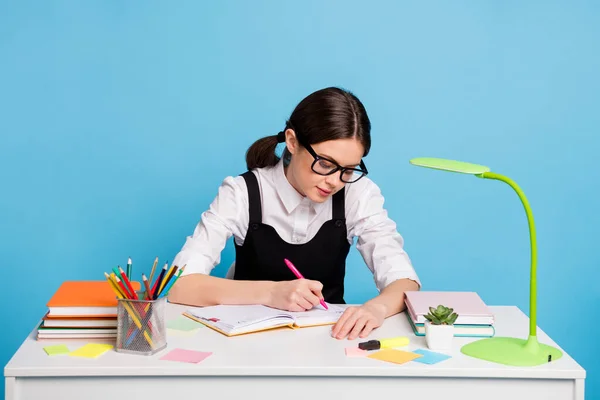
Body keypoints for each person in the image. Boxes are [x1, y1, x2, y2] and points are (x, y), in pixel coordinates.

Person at [168, 86, 421, 340]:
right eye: (325, 163)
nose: (334, 181)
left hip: (327, 341)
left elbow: (405, 282)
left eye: (348, 169)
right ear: (292, 142)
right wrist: (271, 293)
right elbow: (181, 285)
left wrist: (376, 307)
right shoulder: (242, 193)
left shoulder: (359, 194)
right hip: (245, 345)